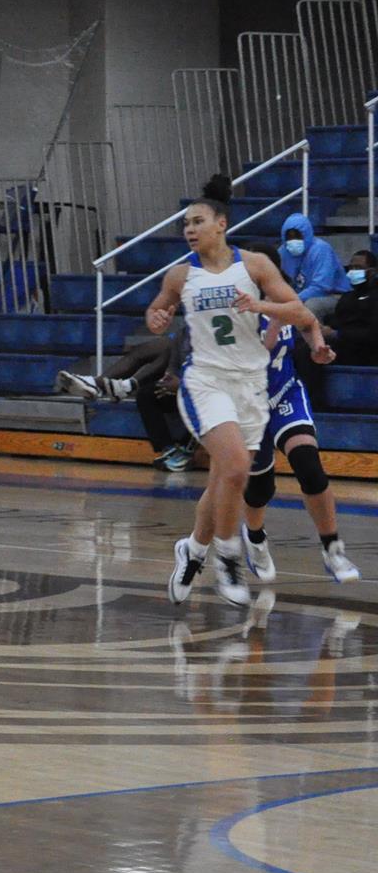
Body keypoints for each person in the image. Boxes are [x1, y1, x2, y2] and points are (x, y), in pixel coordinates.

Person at [148, 177, 333, 609]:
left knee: (222, 482)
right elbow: (157, 305)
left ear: (221, 224)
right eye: (185, 223)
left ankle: (193, 550)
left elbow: (301, 312)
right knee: (233, 468)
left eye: (198, 221)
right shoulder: (180, 274)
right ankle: (228, 557)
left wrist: (263, 308)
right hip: (205, 381)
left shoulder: (254, 268)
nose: (190, 229)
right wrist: (157, 316)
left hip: (251, 384)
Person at [241, 316, 359, 584]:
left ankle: (333, 548)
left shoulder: (279, 294)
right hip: (247, 404)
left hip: (285, 393)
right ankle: (255, 538)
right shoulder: (234, 306)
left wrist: (317, 346)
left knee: (310, 468)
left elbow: (307, 321)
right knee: (261, 489)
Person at [53, 330, 194, 471]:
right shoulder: (185, 330)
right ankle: (167, 448)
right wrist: (170, 376)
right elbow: (173, 360)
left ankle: (185, 450)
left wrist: (182, 385)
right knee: (147, 393)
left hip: (201, 391)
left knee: (209, 404)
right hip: (182, 385)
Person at [279, 212, 352, 323]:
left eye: (297, 236)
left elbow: (322, 287)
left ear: (306, 234)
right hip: (297, 297)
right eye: (289, 237)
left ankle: (313, 339)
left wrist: (294, 300)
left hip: (333, 295)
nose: (293, 240)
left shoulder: (321, 249)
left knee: (311, 305)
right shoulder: (283, 252)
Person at [324, 250, 378, 363]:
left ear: (372, 272)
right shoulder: (348, 296)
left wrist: (338, 334)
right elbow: (338, 319)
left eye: (358, 268)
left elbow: (372, 333)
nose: (353, 271)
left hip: (367, 349)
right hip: (343, 345)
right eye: (351, 268)